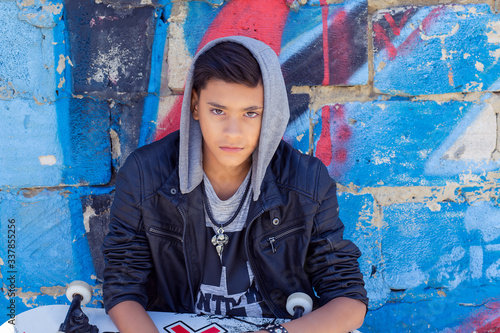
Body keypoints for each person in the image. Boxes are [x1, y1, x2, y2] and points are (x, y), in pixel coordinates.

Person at [102, 36, 368, 333]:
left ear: (271, 113)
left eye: (250, 113)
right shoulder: (144, 174)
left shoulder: (306, 180)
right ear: (194, 105)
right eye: (218, 111)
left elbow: (348, 298)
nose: (233, 132)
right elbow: (122, 286)